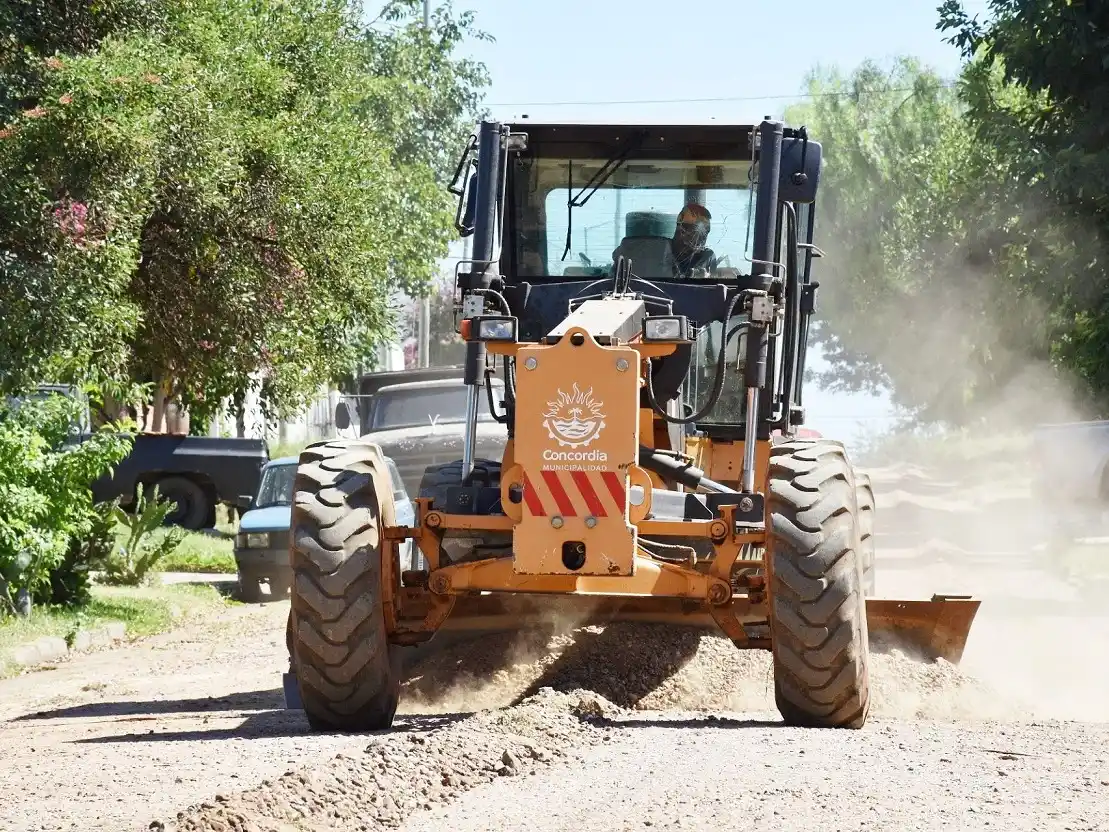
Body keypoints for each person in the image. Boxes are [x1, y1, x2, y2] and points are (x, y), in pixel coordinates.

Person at [670, 203, 716, 276]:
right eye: (688, 228)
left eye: (706, 231)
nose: (702, 238)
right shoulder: (661, 250)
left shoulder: (706, 256)